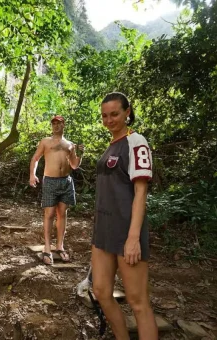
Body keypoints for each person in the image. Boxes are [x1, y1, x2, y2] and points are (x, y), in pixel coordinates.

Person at [91, 92, 157, 339]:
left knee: (138, 302)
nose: (109, 120)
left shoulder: (136, 141)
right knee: (101, 291)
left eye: (115, 114)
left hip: (127, 230)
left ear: (127, 112)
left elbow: (140, 193)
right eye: (105, 116)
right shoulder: (111, 145)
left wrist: (133, 238)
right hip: (103, 231)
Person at [29, 115, 84, 265]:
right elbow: (35, 158)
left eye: (58, 123)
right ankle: (47, 248)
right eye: (53, 123)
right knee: (49, 214)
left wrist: (81, 153)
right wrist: (32, 174)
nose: (55, 125)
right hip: (50, 181)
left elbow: (74, 165)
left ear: (63, 125)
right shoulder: (45, 142)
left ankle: (60, 246)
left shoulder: (69, 144)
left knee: (62, 214)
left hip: (66, 181)